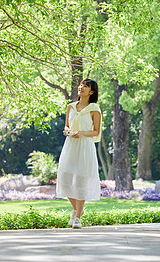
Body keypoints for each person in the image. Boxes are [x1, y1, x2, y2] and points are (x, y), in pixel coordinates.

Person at [56, 79, 102, 229]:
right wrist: (67, 131)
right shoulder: (70, 107)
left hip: (85, 146)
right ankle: (77, 210)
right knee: (65, 179)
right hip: (70, 145)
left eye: (86, 86)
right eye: (81, 85)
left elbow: (96, 131)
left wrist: (81, 132)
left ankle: (77, 218)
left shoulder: (94, 109)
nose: (81, 87)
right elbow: (67, 125)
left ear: (92, 92)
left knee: (81, 181)